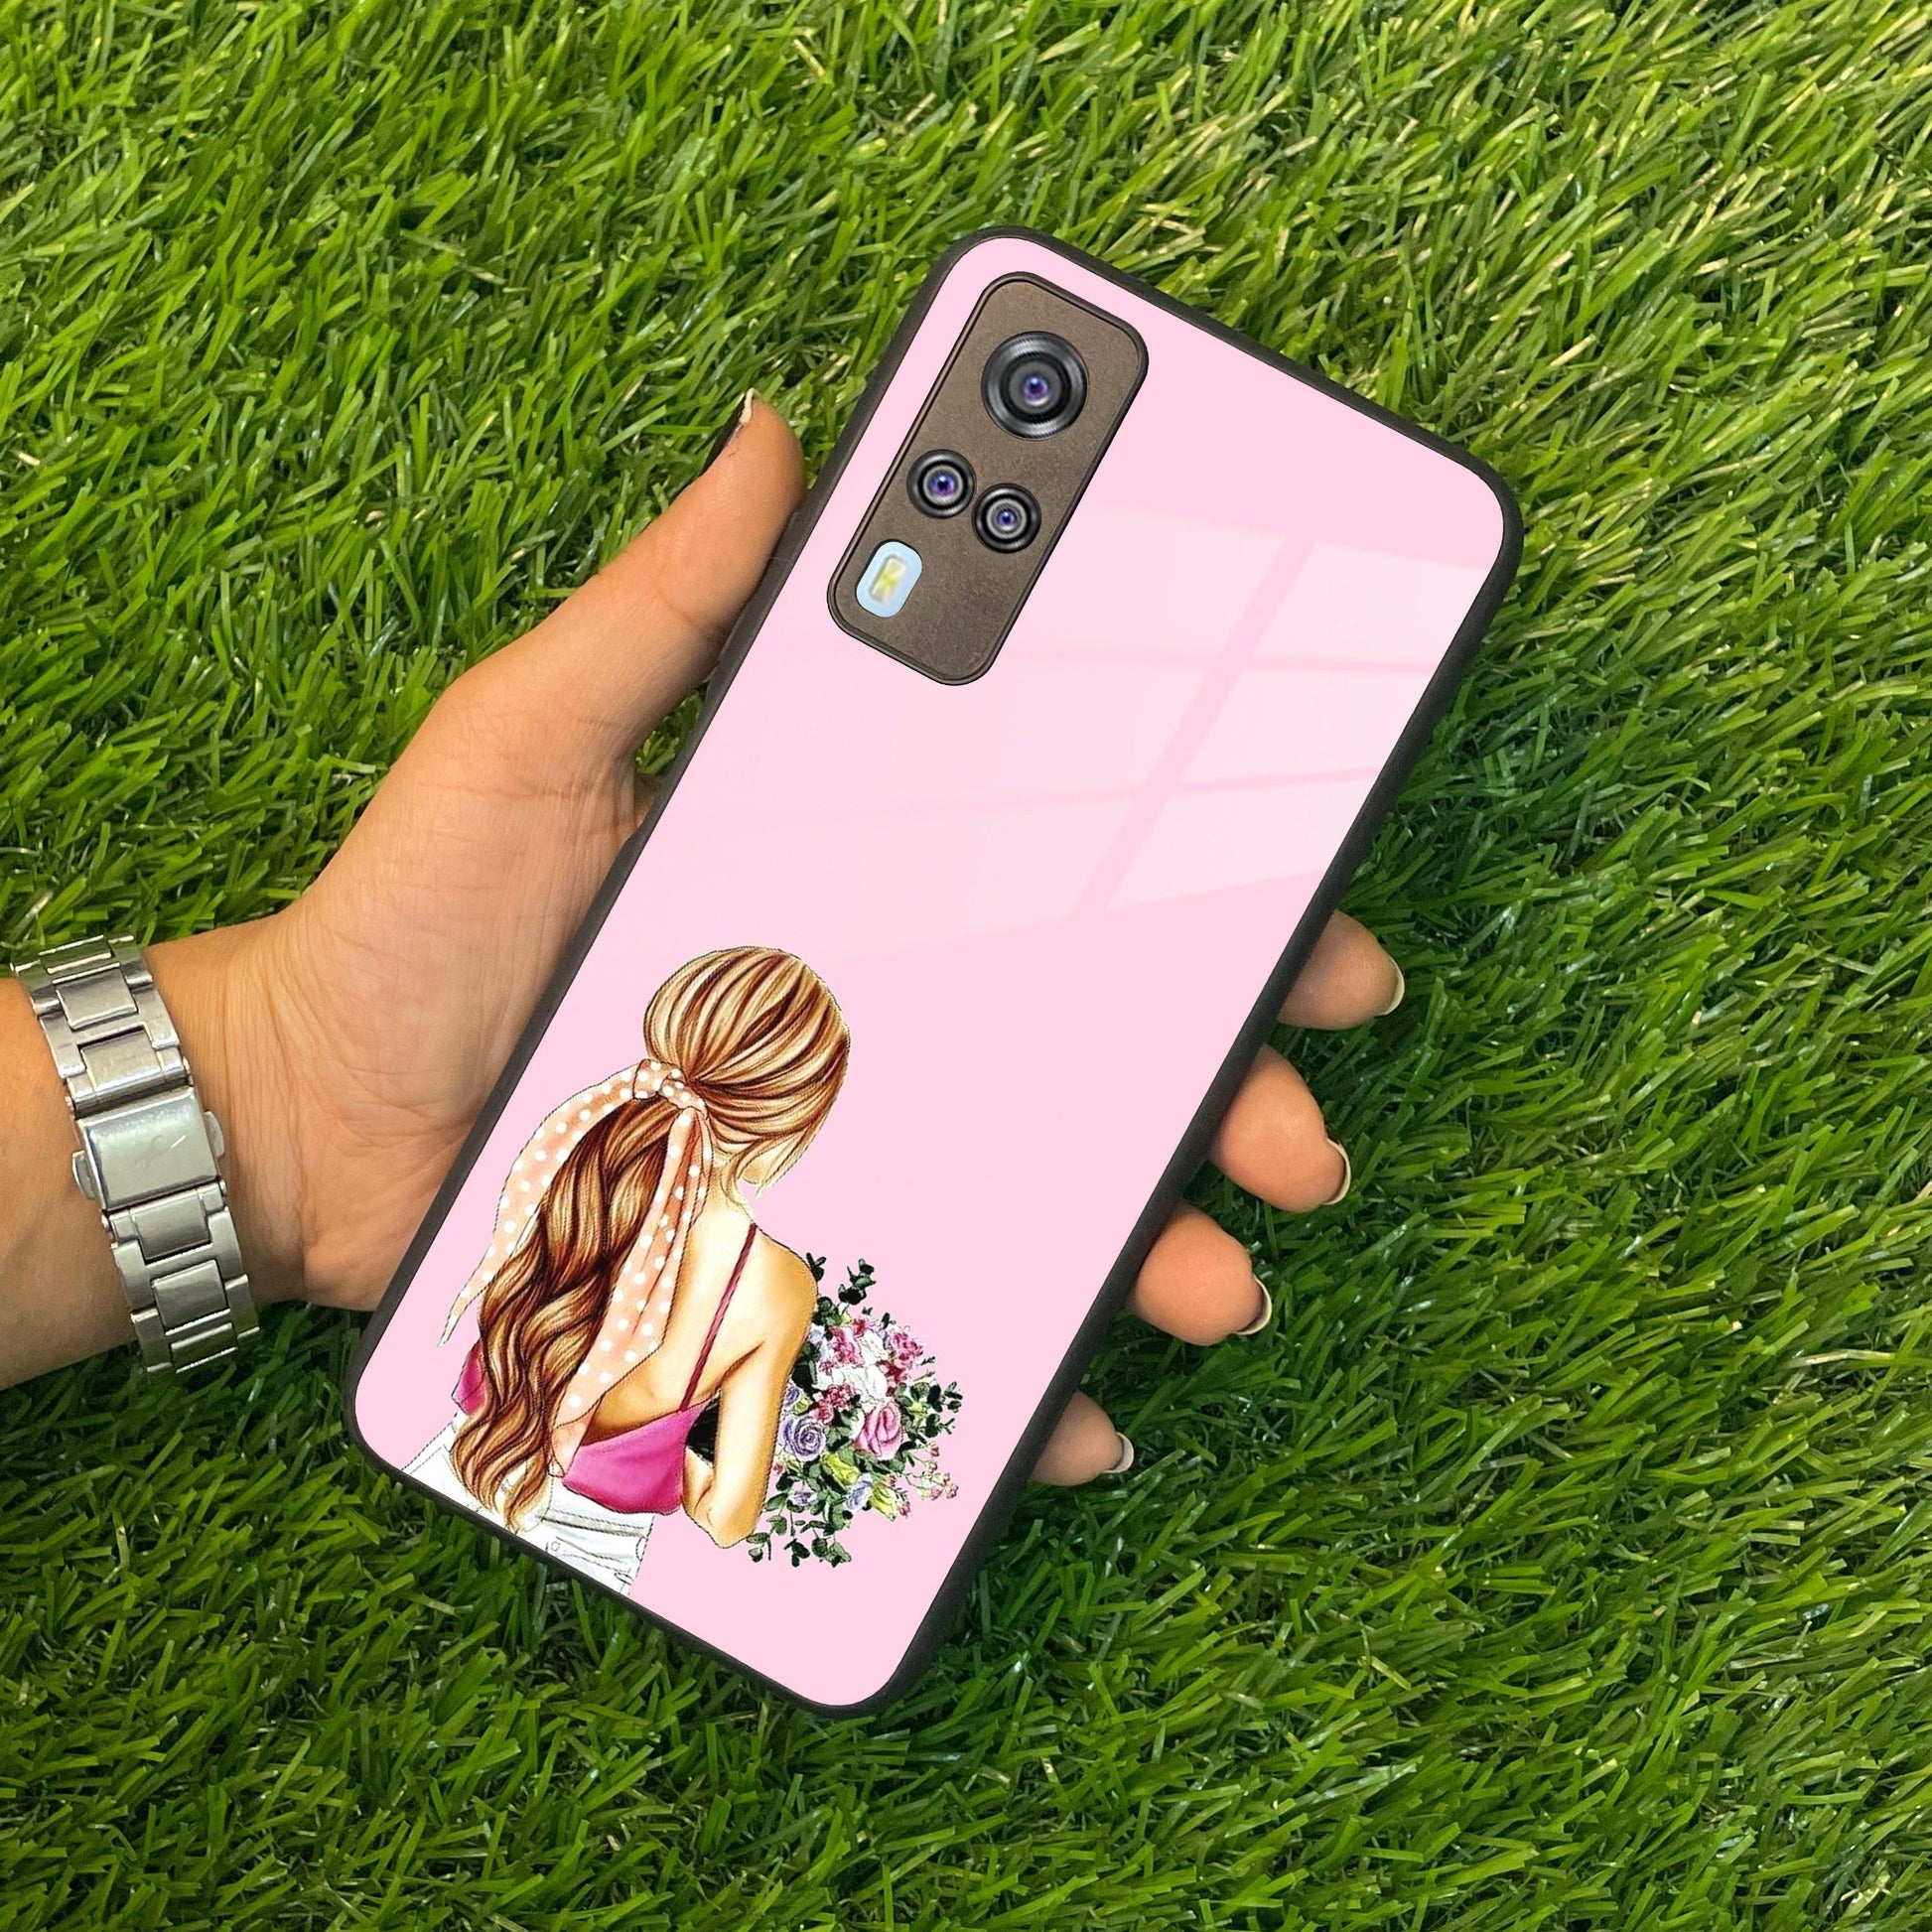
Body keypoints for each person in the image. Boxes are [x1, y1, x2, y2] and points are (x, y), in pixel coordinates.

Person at [0, 395, 1405, 1490]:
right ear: (801, 1106)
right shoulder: (763, 1278)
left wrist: (284, 1098)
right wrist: (276, 1102)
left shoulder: (561, 1158)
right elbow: (728, 1509)